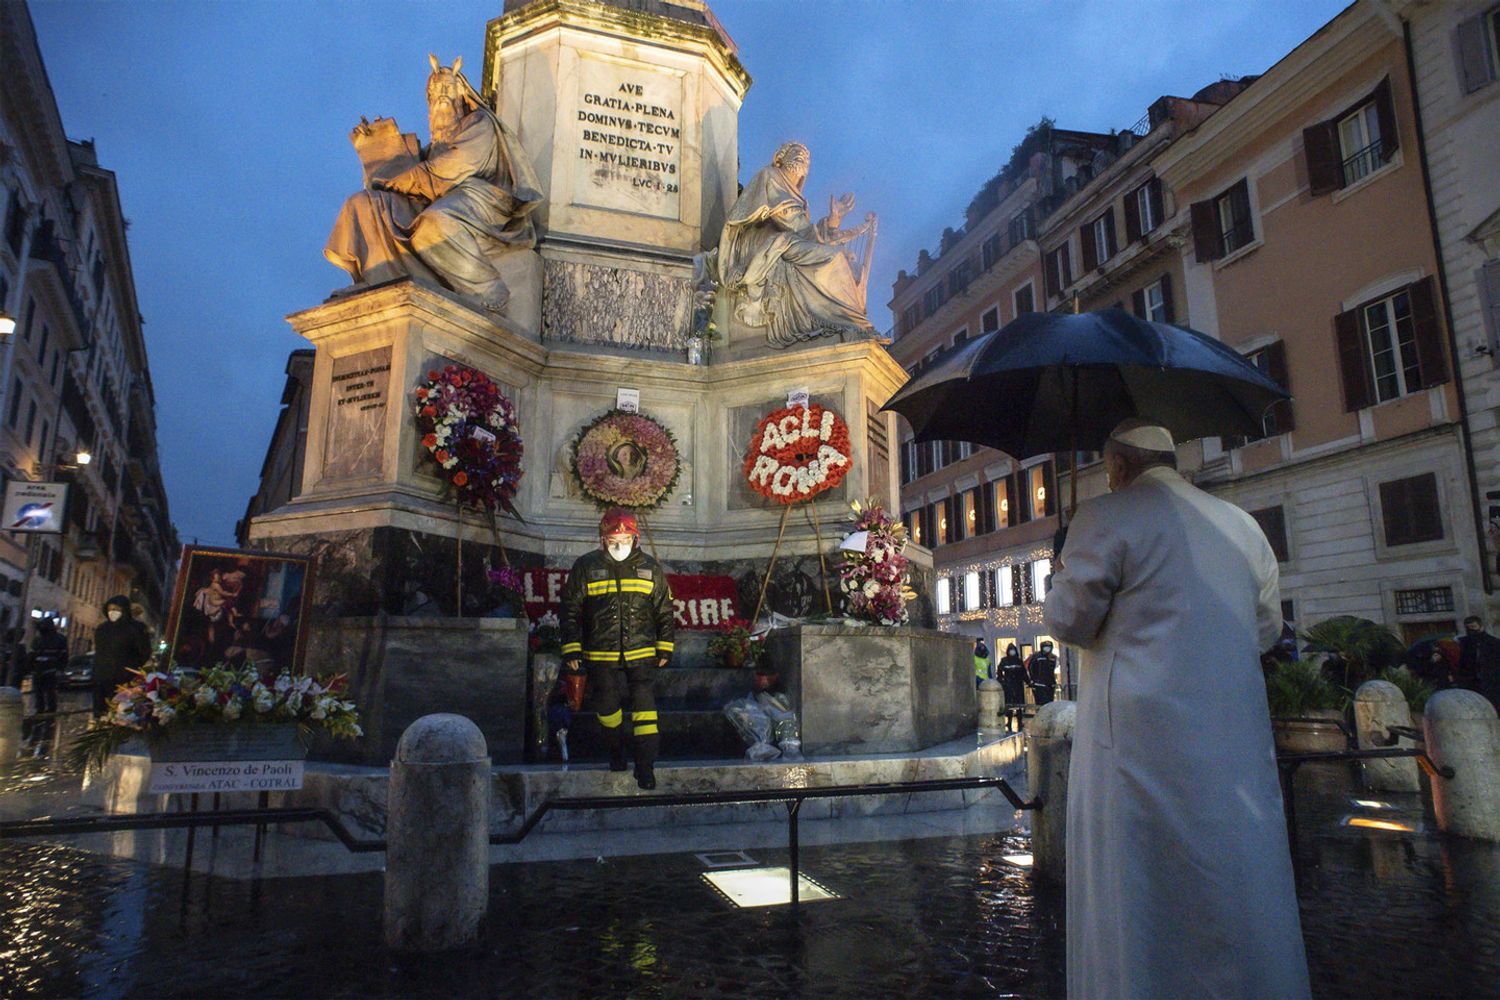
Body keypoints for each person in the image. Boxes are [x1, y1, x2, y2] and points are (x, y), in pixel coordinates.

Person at [1043, 419, 1308, 999]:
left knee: (1138, 894)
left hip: (1137, 745)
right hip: (1231, 737)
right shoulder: (1242, 526)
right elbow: (1265, 629)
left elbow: (1068, 622)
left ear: (1117, 466)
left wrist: (1058, 574)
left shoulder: (1104, 516)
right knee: (1235, 875)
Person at [325, 55, 542, 312]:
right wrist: (376, 148)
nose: (441, 96)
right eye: (435, 91)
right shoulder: (434, 147)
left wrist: (403, 179)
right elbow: (409, 175)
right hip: (438, 199)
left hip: (483, 200)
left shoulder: (479, 123)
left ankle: (488, 289)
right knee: (362, 204)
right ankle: (375, 279)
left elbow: (452, 167)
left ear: (461, 93)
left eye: (447, 89)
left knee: (433, 226)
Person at [559, 508, 675, 790]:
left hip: (641, 652)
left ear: (635, 538)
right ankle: (616, 753)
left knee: (645, 712)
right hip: (601, 652)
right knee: (607, 709)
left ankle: (645, 768)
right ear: (603, 539)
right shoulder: (586, 566)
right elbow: (570, 609)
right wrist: (572, 649)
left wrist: (664, 646)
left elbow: (664, 609)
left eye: (624, 538)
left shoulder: (650, 568)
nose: (619, 544)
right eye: (613, 539)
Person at [718, 141, 877, 347]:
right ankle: (844, 322)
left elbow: (806, 231)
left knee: (849, 264)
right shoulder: (770, 176)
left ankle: (849, 321)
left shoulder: (799, 197)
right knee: (834, 257)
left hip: (788, 239)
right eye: (796, 152)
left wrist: (834, 220)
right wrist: (829, 239)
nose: (803, 156)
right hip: (763, 241)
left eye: (806, 156)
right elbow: (792, 224)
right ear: (780, 157)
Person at [92, 595, 153, 717]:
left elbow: (144, 652)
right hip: (103, 677)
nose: (112, 612)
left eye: (116, 609)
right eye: (110, 609)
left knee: (124, 712)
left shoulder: (137, 629)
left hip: (126, 678)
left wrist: (131, 667)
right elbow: (100, 652)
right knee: (103, 712)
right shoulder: (102, 629)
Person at [25, 617, 68, 754]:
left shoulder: (40, 639)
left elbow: (32, 656)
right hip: (47, 671)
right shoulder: (57, 639)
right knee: (45, 693)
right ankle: (46, 713)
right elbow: (63, 656)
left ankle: (44, 713)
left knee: (44, 693)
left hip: (44, 671)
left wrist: (31, 668)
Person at [1459, 616, 1500, 708]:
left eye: (1473, 627)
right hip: (1472, 682)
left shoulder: (1494, 642)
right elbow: (1463, 663)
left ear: (1481, 626)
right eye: (1468, 628)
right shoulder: (1464, 643)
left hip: (1491, 681)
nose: (1471, 630)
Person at [1026, 640, 1058, 705]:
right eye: (1045, 647)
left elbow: (1052, 670)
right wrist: (1034, 680)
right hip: (1039, 684)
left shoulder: (1053, 657)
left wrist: (1053, 682)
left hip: (1050, 684)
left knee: (1050, 703)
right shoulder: (1037, 657)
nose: (1047, 648)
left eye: (1049, 647)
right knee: (1042, 703)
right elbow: (1031, 668)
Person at [997, 643, 1028, 708]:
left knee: (1019, 701)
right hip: (1008, 683)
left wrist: (1028, 681)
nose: (1012, 652)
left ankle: (1019, 714)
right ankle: (1009, 715)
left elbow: (1023, 672)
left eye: (1013, 650)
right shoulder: (1004, 660)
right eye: (1010, 650)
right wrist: (1001, 680)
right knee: (1009, 701)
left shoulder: (1018, 660)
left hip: (1018, 683)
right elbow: (999, 671)